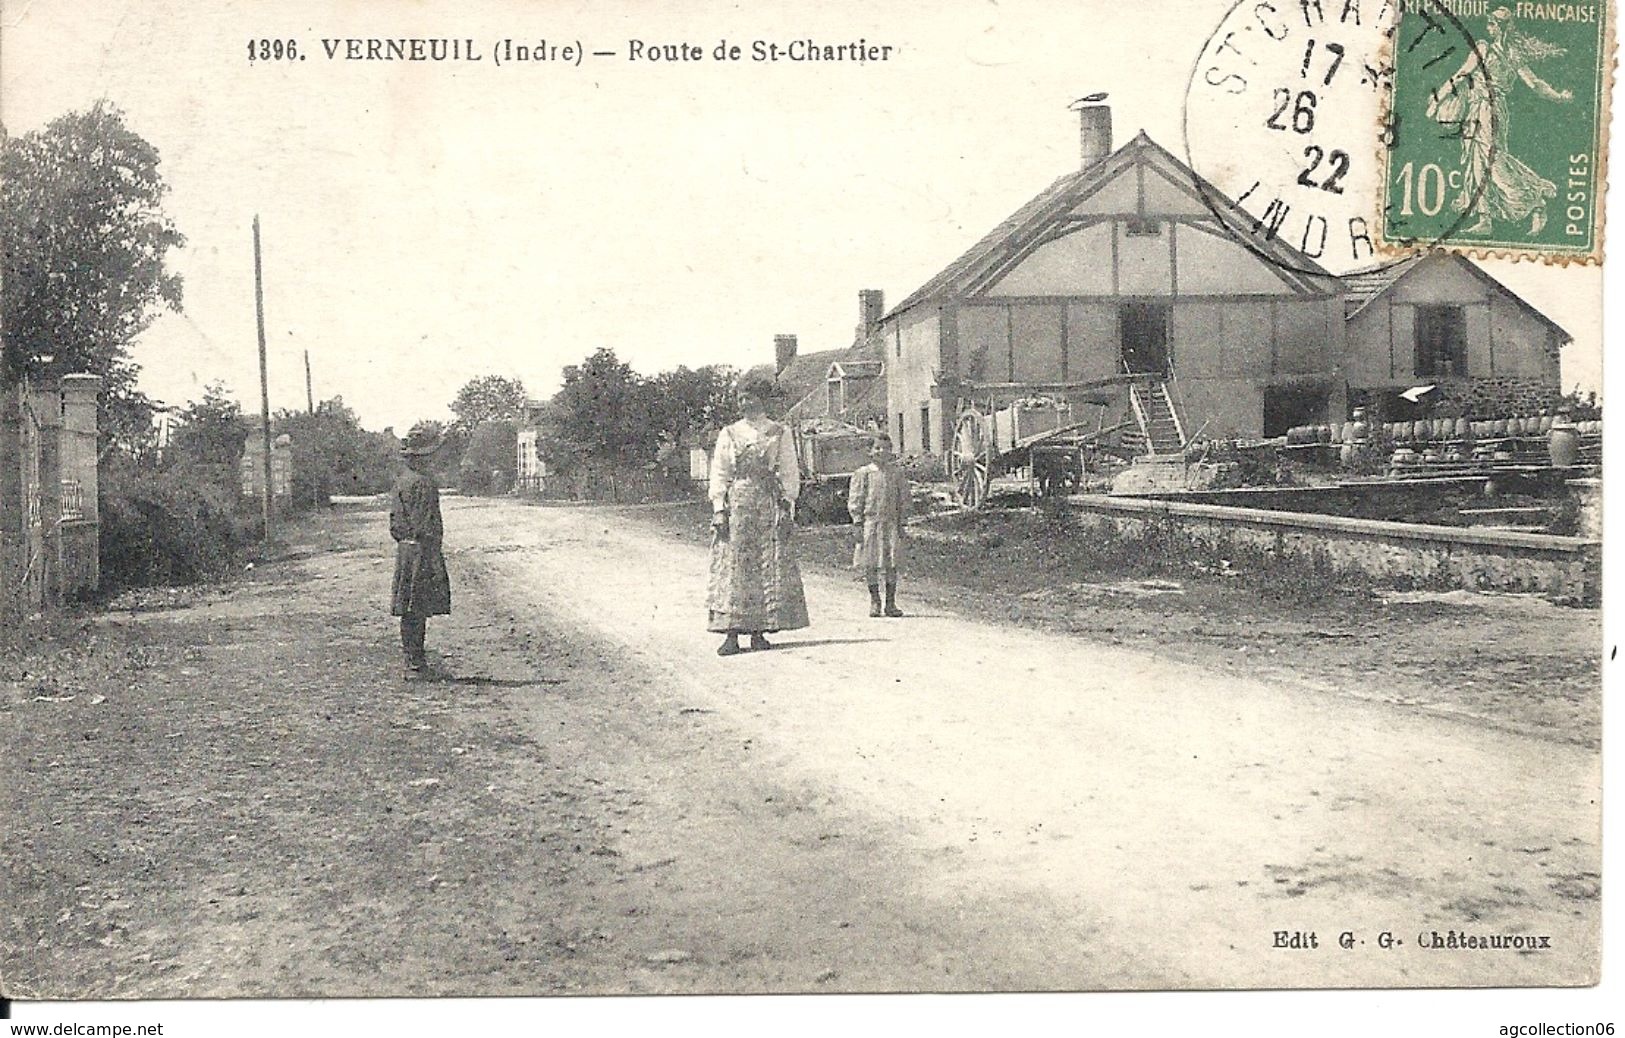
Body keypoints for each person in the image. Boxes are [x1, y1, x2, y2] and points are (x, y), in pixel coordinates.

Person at [1428, 6, 1572, 235]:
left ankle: (1534, 202)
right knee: (1479, 162)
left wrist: (1438, 98)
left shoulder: (1487, 50)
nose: (1488, 28)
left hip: (1488, 110)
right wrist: (1559, 97)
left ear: (1500, 27)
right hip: (1483, 110)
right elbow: (1536, 84)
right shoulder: (1512, 55)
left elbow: (1461, 75)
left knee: (1492, 162)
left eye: (1492, 24)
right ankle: (1485, 220)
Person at [706, 369, 809, 655]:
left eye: (748, 398)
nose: (742, 403)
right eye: (739, 398)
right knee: (736, 566)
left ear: (762, 400)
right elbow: (720, 473)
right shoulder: (730, 433)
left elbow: (789, 472)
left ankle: (759, 631)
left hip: (767, 503)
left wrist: (787, 506)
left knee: (766, 564)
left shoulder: (779, 432)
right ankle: (731, 634)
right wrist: (718, 509)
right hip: (737, 504)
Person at [390, 423, 452, 676]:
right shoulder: (425, 485)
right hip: (422, 550)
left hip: (405, 551)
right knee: (418, 606)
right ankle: (416, 663)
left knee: (409, 606)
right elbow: (429, 524)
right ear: (423, 459)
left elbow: (395, 522)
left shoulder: (401, 482)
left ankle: (412, 659)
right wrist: (434, 552)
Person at [847, 433, 909, 617]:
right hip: (870, 524)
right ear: (870, 451)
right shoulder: (863, 474)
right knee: (871, 563)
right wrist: (857, 522)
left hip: (891, 523)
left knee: (892, 563)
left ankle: (890, 603)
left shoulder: (896, 474)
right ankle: (875, 600)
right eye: (878, 448)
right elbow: (856, 500)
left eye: (886, 448)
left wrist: (902, 522)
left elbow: (903, 499)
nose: (882, 451)